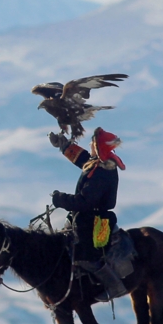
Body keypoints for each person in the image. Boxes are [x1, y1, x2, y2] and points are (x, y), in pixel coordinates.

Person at [49, 127, 127, 300]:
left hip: (94, 221)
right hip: (85, 218)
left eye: (93, 143)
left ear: (99, 147)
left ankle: (115, 286)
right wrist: (64, 146)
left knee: (86, 256)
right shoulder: (99, 163)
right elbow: (83, 159)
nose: (90, 145)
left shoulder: (102, 172)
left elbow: (84, 202)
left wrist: (60, 199)